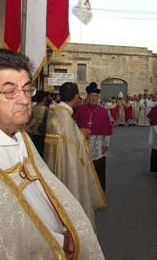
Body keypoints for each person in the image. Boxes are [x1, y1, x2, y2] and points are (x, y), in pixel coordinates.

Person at [0, 49, 103, 259]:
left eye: (26, 89)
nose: (25, 100)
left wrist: (66, 228)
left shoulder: (18, 134)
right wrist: (57, 242)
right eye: (9, 91)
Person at [44, 82, 107, 228]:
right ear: (77, 96)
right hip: (68, 167)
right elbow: (72, 140)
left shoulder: (55, 113)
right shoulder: (66, 118)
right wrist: (82, 134)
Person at [73, 82, 113, 191]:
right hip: (83, 142)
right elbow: (73, 124)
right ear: (87, 97)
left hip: (98, 143)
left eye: (96, 96)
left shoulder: (103, 111)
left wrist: (106, 144)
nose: (94, 98)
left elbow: (107, 130)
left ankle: (98, 189)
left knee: (98, 167)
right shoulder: (80, 109)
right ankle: (84, 188)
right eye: (92, 96)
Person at [31, 89, 48, 157]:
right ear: (44, 99)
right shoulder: (46, 109)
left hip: (33, 132)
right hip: (42, 133)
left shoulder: (32, 108)